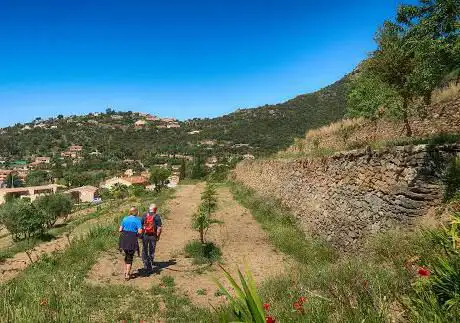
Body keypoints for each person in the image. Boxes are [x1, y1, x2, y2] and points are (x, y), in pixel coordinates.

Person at [119, 207, 142, 280]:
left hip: (124, 238)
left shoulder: (125, 218)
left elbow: (120, 229)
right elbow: (140, 231)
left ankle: (126, 270)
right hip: (132, 239)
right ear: (136, 212)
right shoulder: (137, 220)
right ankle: (127, 274)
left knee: (127, 255)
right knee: (130, 257)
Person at [141, 203, 162, 273]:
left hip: (145, 235)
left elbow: (140, 226)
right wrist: (158, 236)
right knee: (152, 250)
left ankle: (145, 263)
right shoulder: (157, 216)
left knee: (144, 249)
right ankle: (150, 263)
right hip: (153, 235)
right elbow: (159, 228)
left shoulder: (144, 215)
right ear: (155, 209)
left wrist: (140, 235)